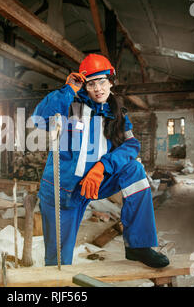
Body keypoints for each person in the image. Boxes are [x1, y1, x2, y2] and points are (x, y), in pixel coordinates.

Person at [32, 53, 169, 268]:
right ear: (84, 86)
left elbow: (131, 146)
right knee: (58, 261)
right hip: (62, 192)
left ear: (111, 82)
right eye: (91, 84)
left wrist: (102, 166)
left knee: (134, 170)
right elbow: (39, 119)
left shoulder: (118, 114)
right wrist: (69, 89)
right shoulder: (70, 107)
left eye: (102, 82)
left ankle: (138, 245)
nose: (98, 89)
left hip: (96, 183)